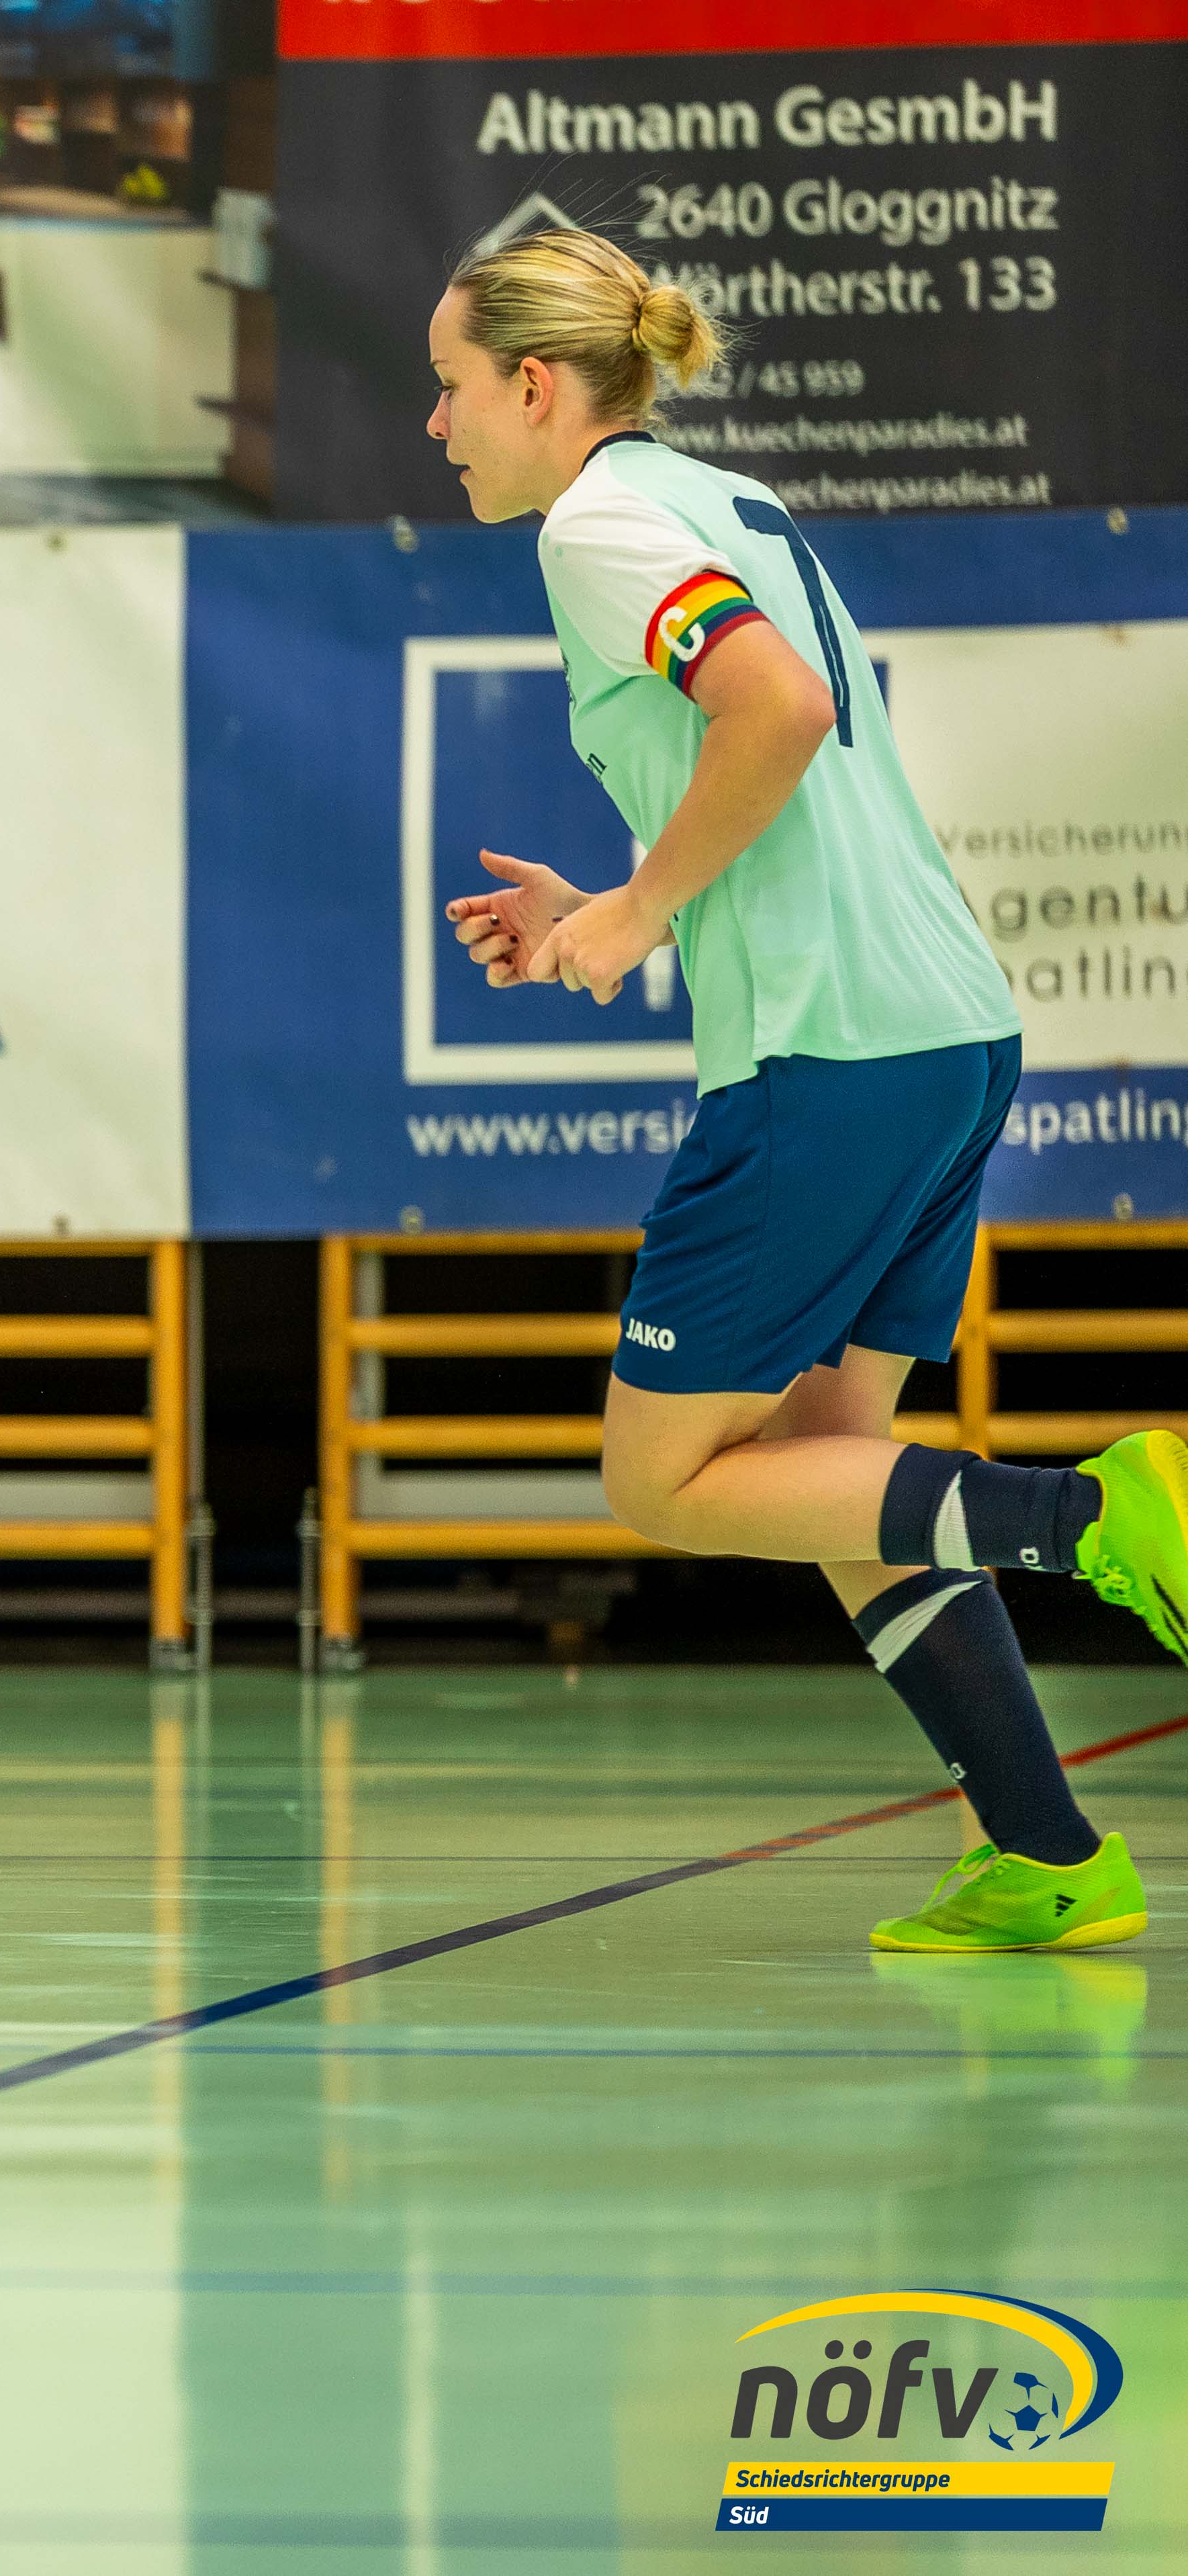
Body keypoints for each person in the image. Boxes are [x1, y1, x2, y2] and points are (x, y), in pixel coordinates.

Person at [426, 224, 1181, 1955]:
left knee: (660, 1482)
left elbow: (772, 707)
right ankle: (1046, 1853)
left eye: (449, 386)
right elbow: (780, 762)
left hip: (827, 1053)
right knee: (829, 1468)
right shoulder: (716, 499)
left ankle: (1096, 1516)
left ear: (533, 386)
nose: (436, 424)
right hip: (939, 1027)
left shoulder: (594, 525)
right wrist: (608, 901)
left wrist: (637, 909)